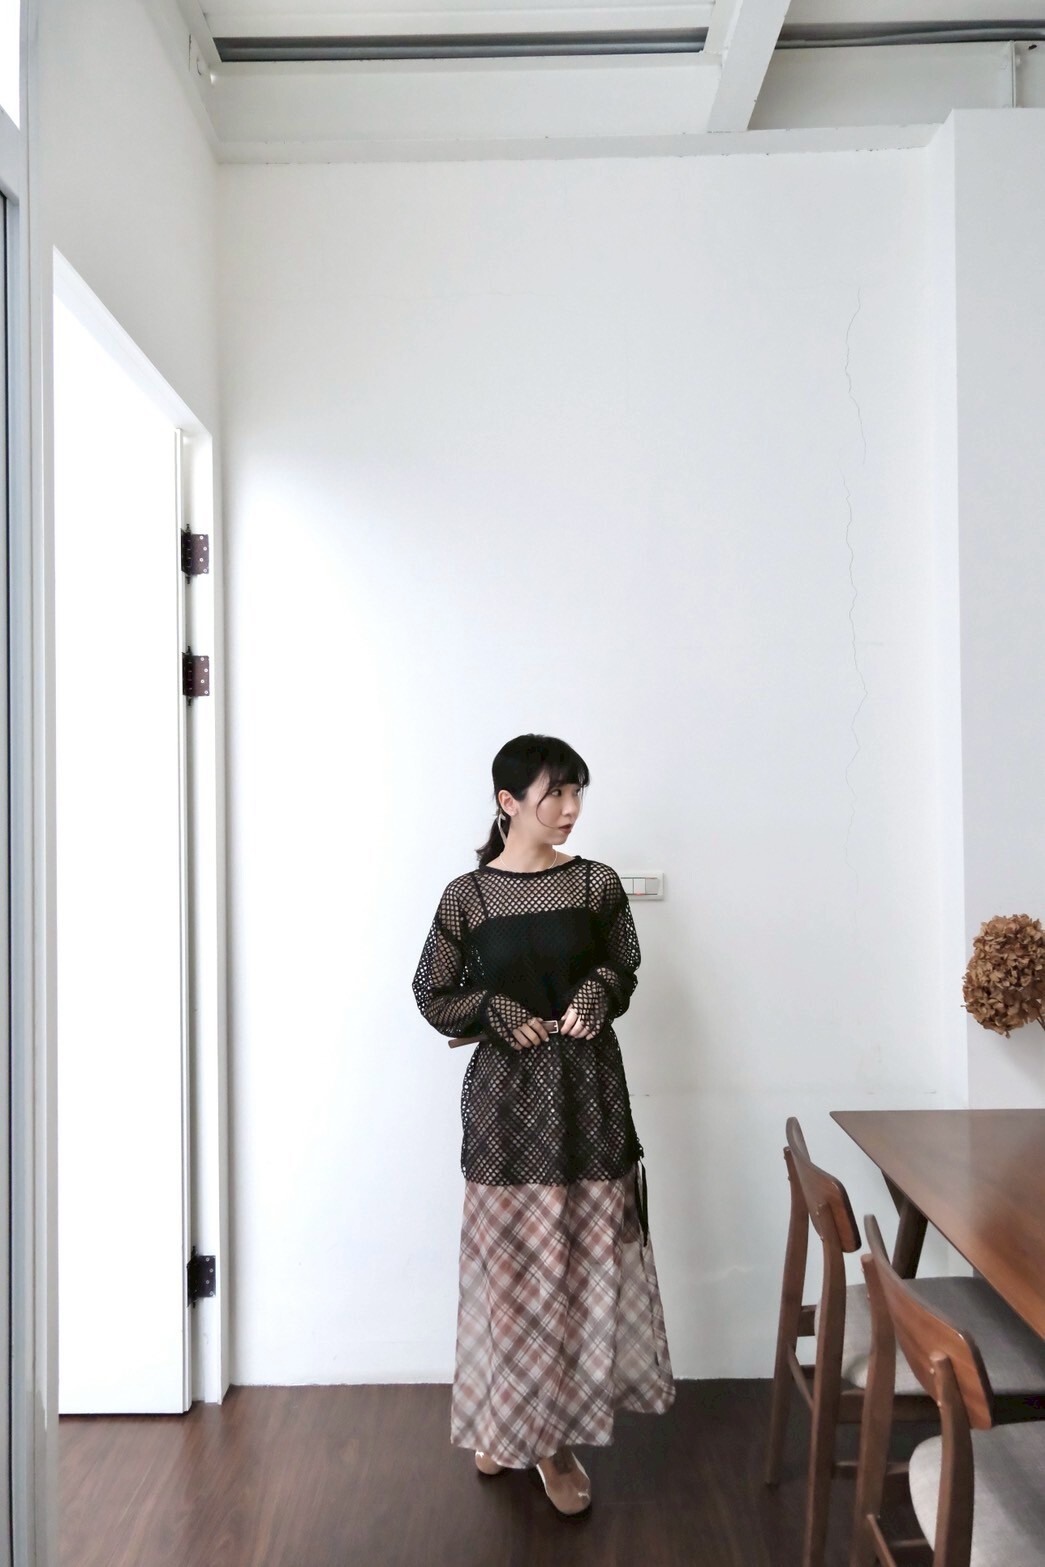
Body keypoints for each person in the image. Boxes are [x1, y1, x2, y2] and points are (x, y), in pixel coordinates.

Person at [412, 733, 675, 1517]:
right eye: (555, 792)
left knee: (575, 1273)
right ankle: (516, 1427)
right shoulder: (468, 896)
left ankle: (546, 1440)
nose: (570, 808)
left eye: (575, 792)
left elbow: (623, 963)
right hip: (506, 1108)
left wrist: (597, 990)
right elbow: (431, 991)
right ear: (508, 801)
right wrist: (492, 1007)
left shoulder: (594, 883)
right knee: (513, 1276)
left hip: (588, 1095)